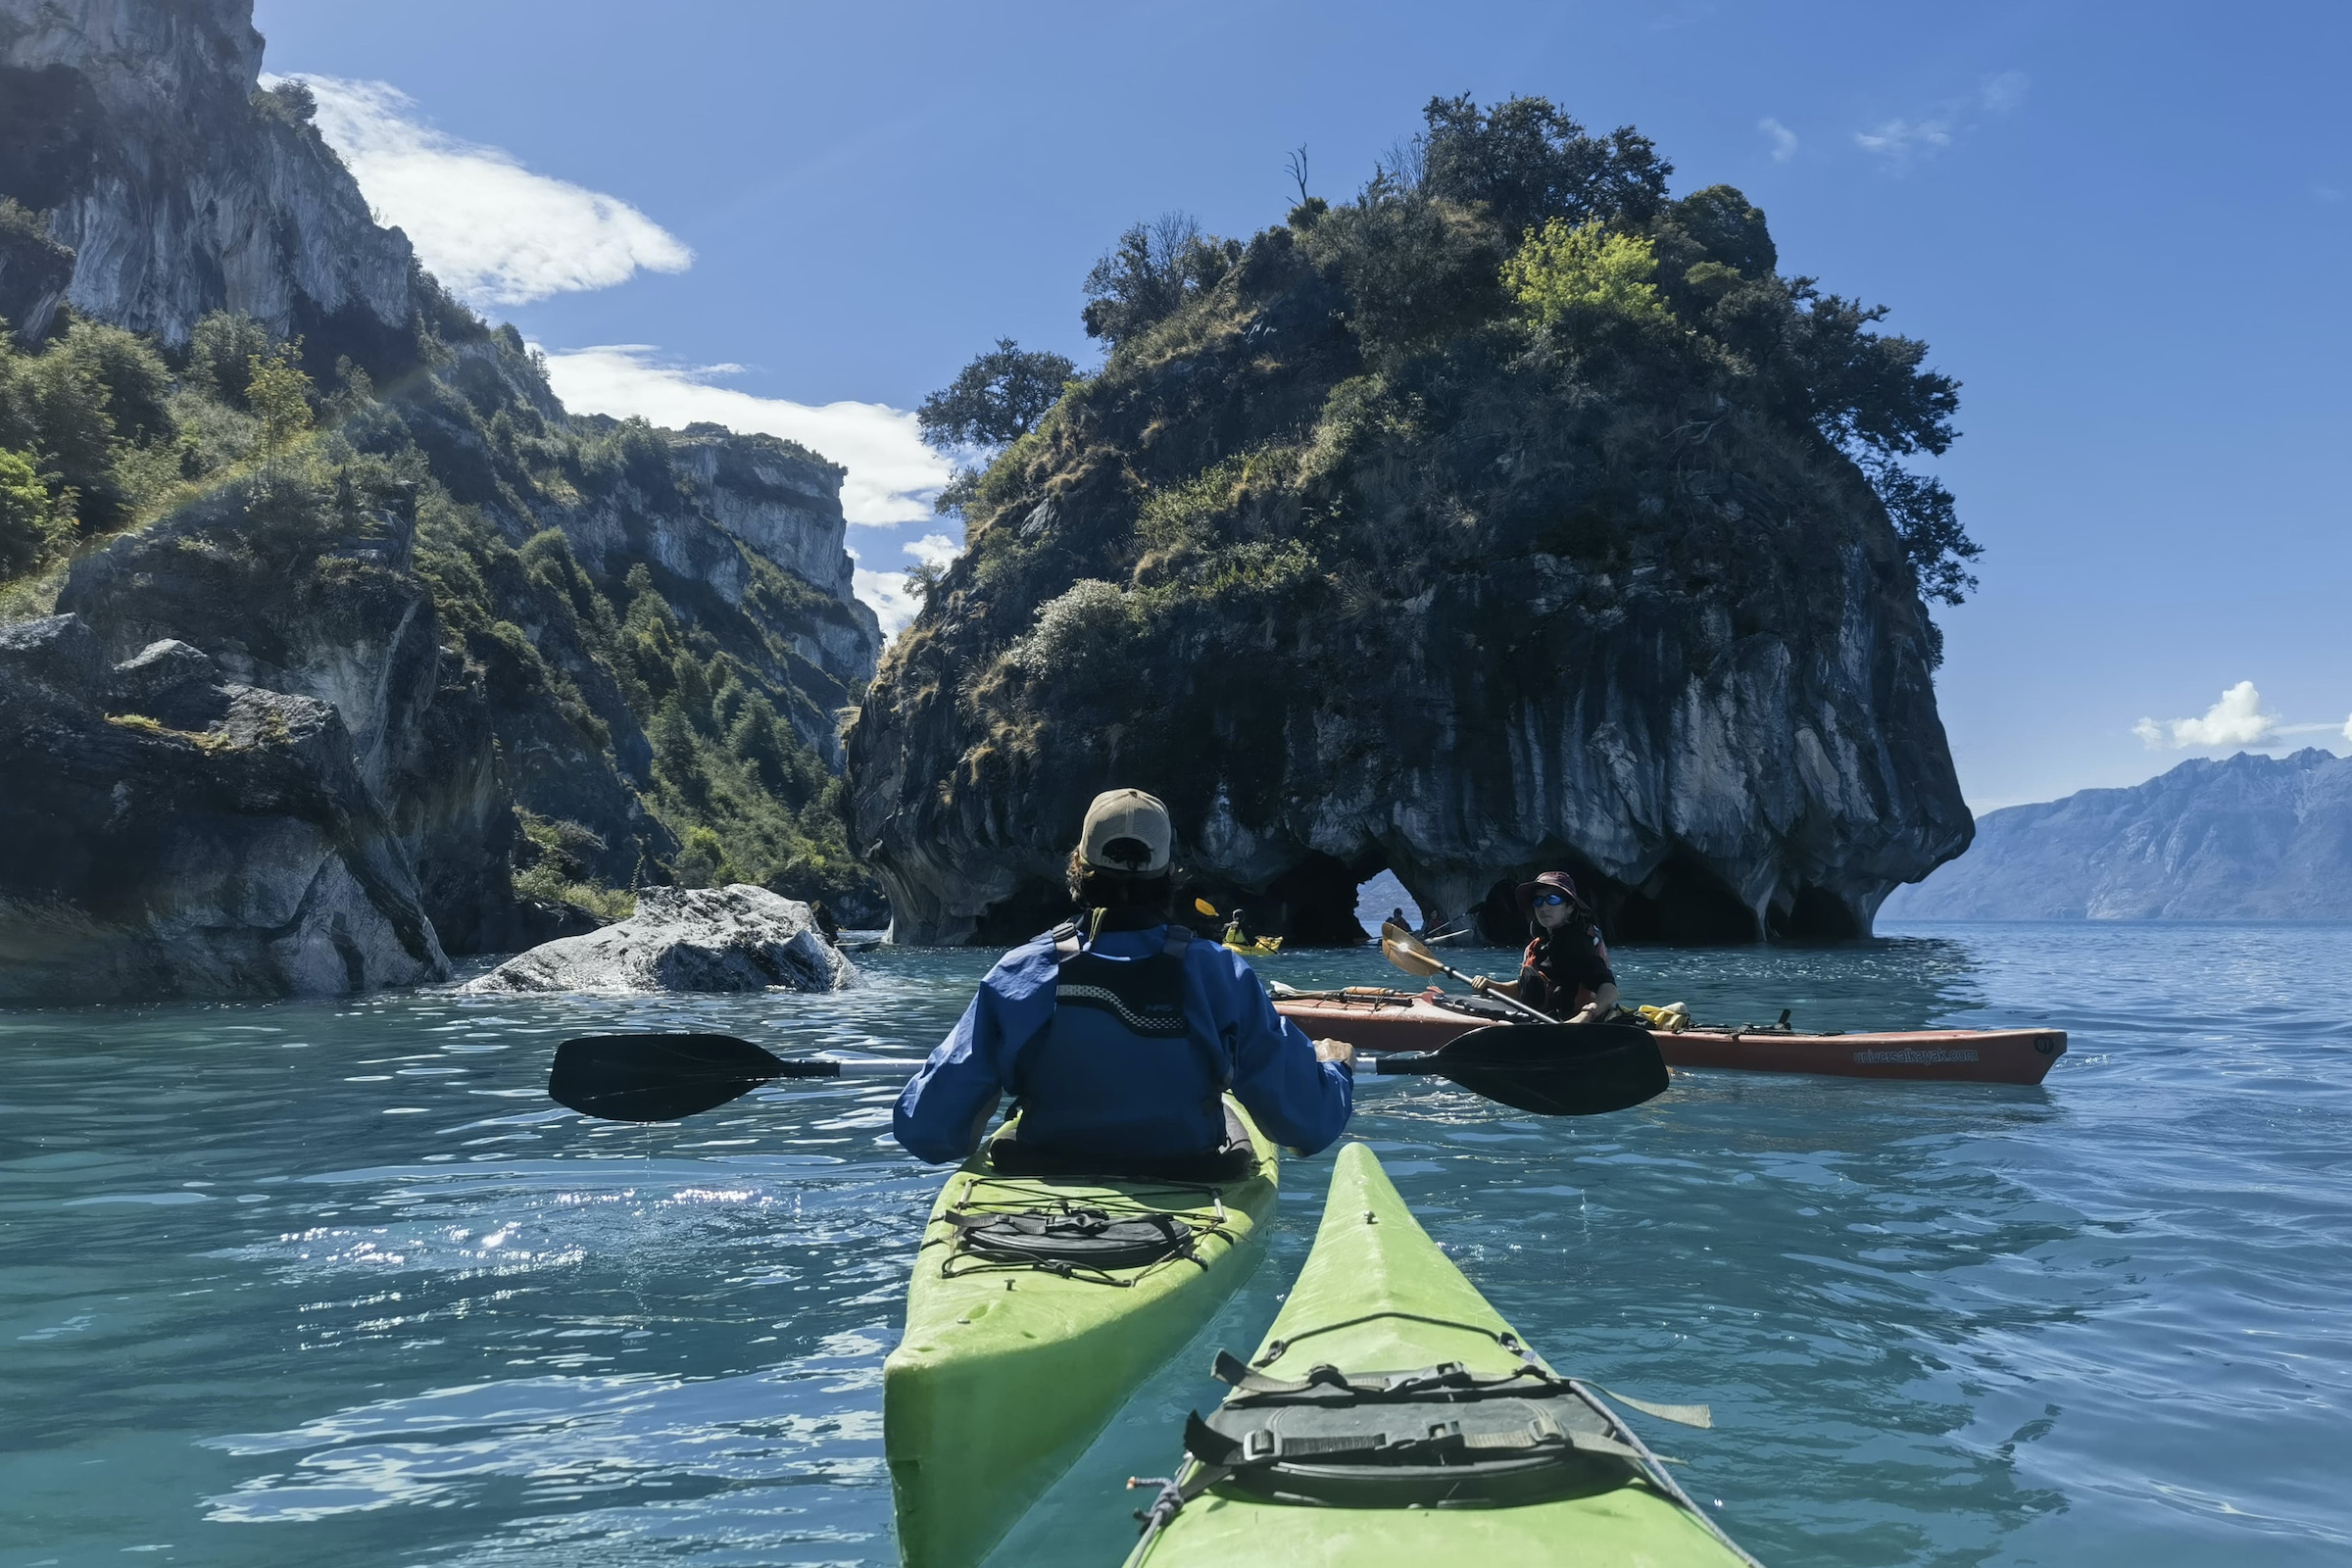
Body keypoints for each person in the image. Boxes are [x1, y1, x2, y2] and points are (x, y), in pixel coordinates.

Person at [894, 789, 1354, 1171]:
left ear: (1078, 868)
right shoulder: (1221, 973)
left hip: (1046, 1173)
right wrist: (1334, 1068)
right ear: (1169, 875)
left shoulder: (1018, 973)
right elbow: (1307, 1128)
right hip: (1188, 1177)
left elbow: (929, 1133)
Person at [1472, 869, 1620, 1023]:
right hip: (1545, 1021)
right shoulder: (1538, 946)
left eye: (1553, 899)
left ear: (1570, 907)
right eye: (1538, 901)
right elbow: (1528, 989)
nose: (1544, 907)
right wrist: (1492, 986)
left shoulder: (1580, 944)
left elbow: (1610, 989)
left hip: (1579, 1026)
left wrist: (1586, 1014)